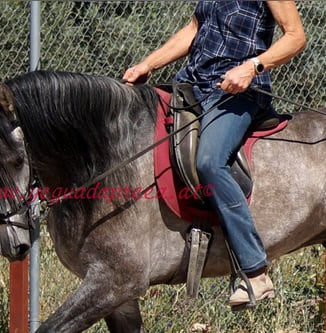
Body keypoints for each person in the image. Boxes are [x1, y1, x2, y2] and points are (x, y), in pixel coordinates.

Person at [123, 1, 306, 309]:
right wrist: (147, 65)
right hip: (194, 86)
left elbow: (295, 36)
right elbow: (193, 29)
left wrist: (252, 67)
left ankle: (255, 271)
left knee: (209, 160)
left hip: (240, 93)